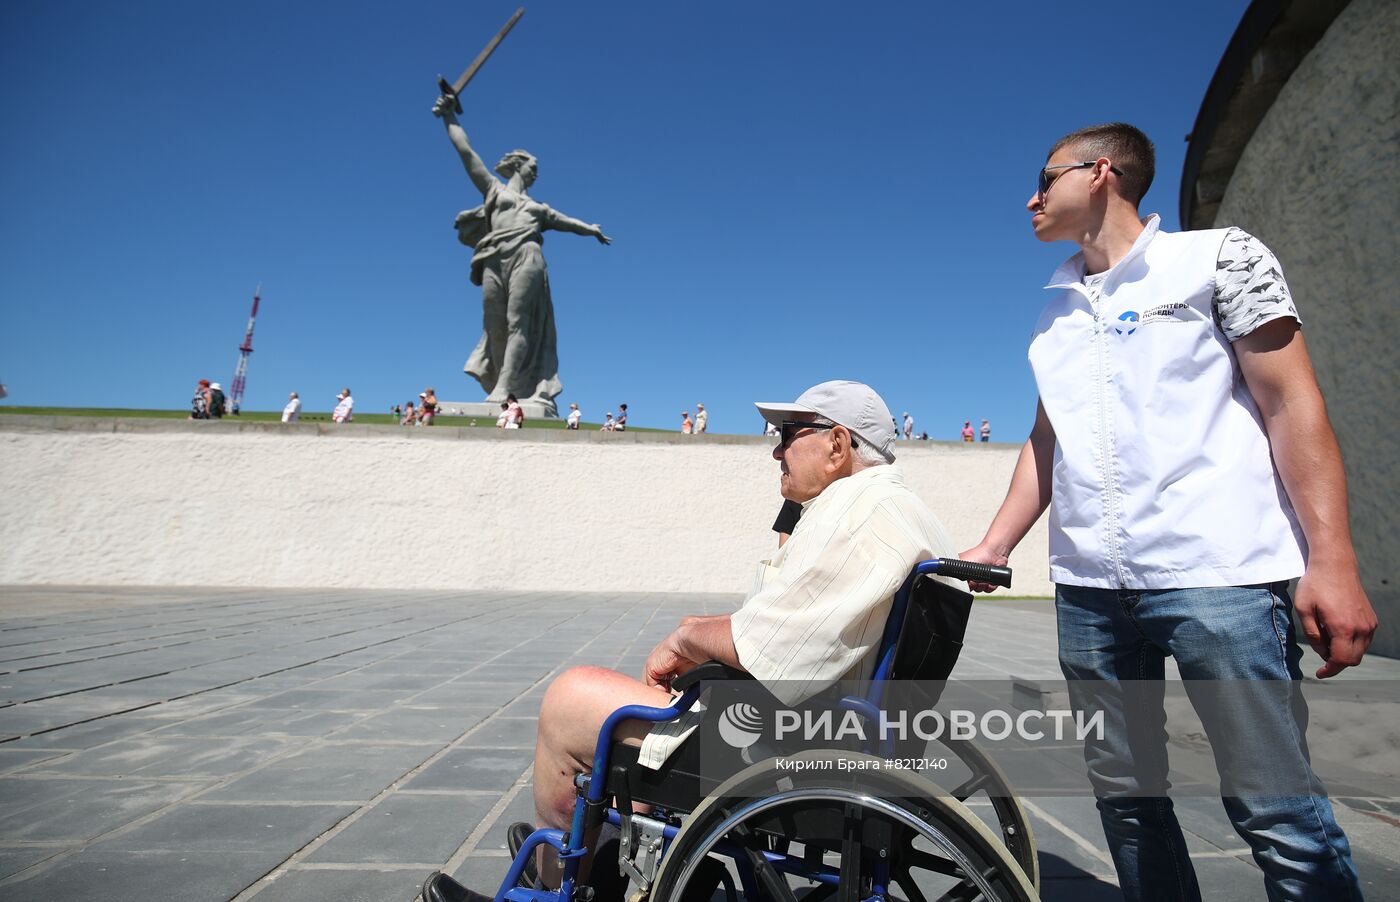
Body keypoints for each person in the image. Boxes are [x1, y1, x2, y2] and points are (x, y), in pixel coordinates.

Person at [961, 122, 1376, 901]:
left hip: (1221, 577)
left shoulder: (1220, 258)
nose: (1032, 197)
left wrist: (1333, 558)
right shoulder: (1055, 311)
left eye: (1046, 178)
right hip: (1088, 591)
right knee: (1127, 804)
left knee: (1275, 808)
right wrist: (994, 542)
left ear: (1103, 172)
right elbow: (1048, 439)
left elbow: (1292, 403)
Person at [421, 380, 956, 902]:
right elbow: (803, 622)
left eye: (790, 433)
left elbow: (775, 647)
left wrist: (686, 637)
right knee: (638, 695)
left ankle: (558, 872)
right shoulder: (892, 506)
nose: (776, 450)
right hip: (837, 730)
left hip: (792, 748)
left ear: (837, 444)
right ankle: (592, 848)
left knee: (570, 700)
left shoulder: (858, 511)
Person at [432, 95, 610, 415]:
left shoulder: (538, 209)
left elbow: (567, 222)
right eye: (533, 166)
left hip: (527, 257)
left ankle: (504, 387)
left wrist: (591, 228)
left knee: (519, 322)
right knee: (494, 325)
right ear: (518, 164)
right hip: (493, 257)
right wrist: (449, 117)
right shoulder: (494, 191)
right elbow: (467, 154)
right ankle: (503, 379)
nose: (536, 172)